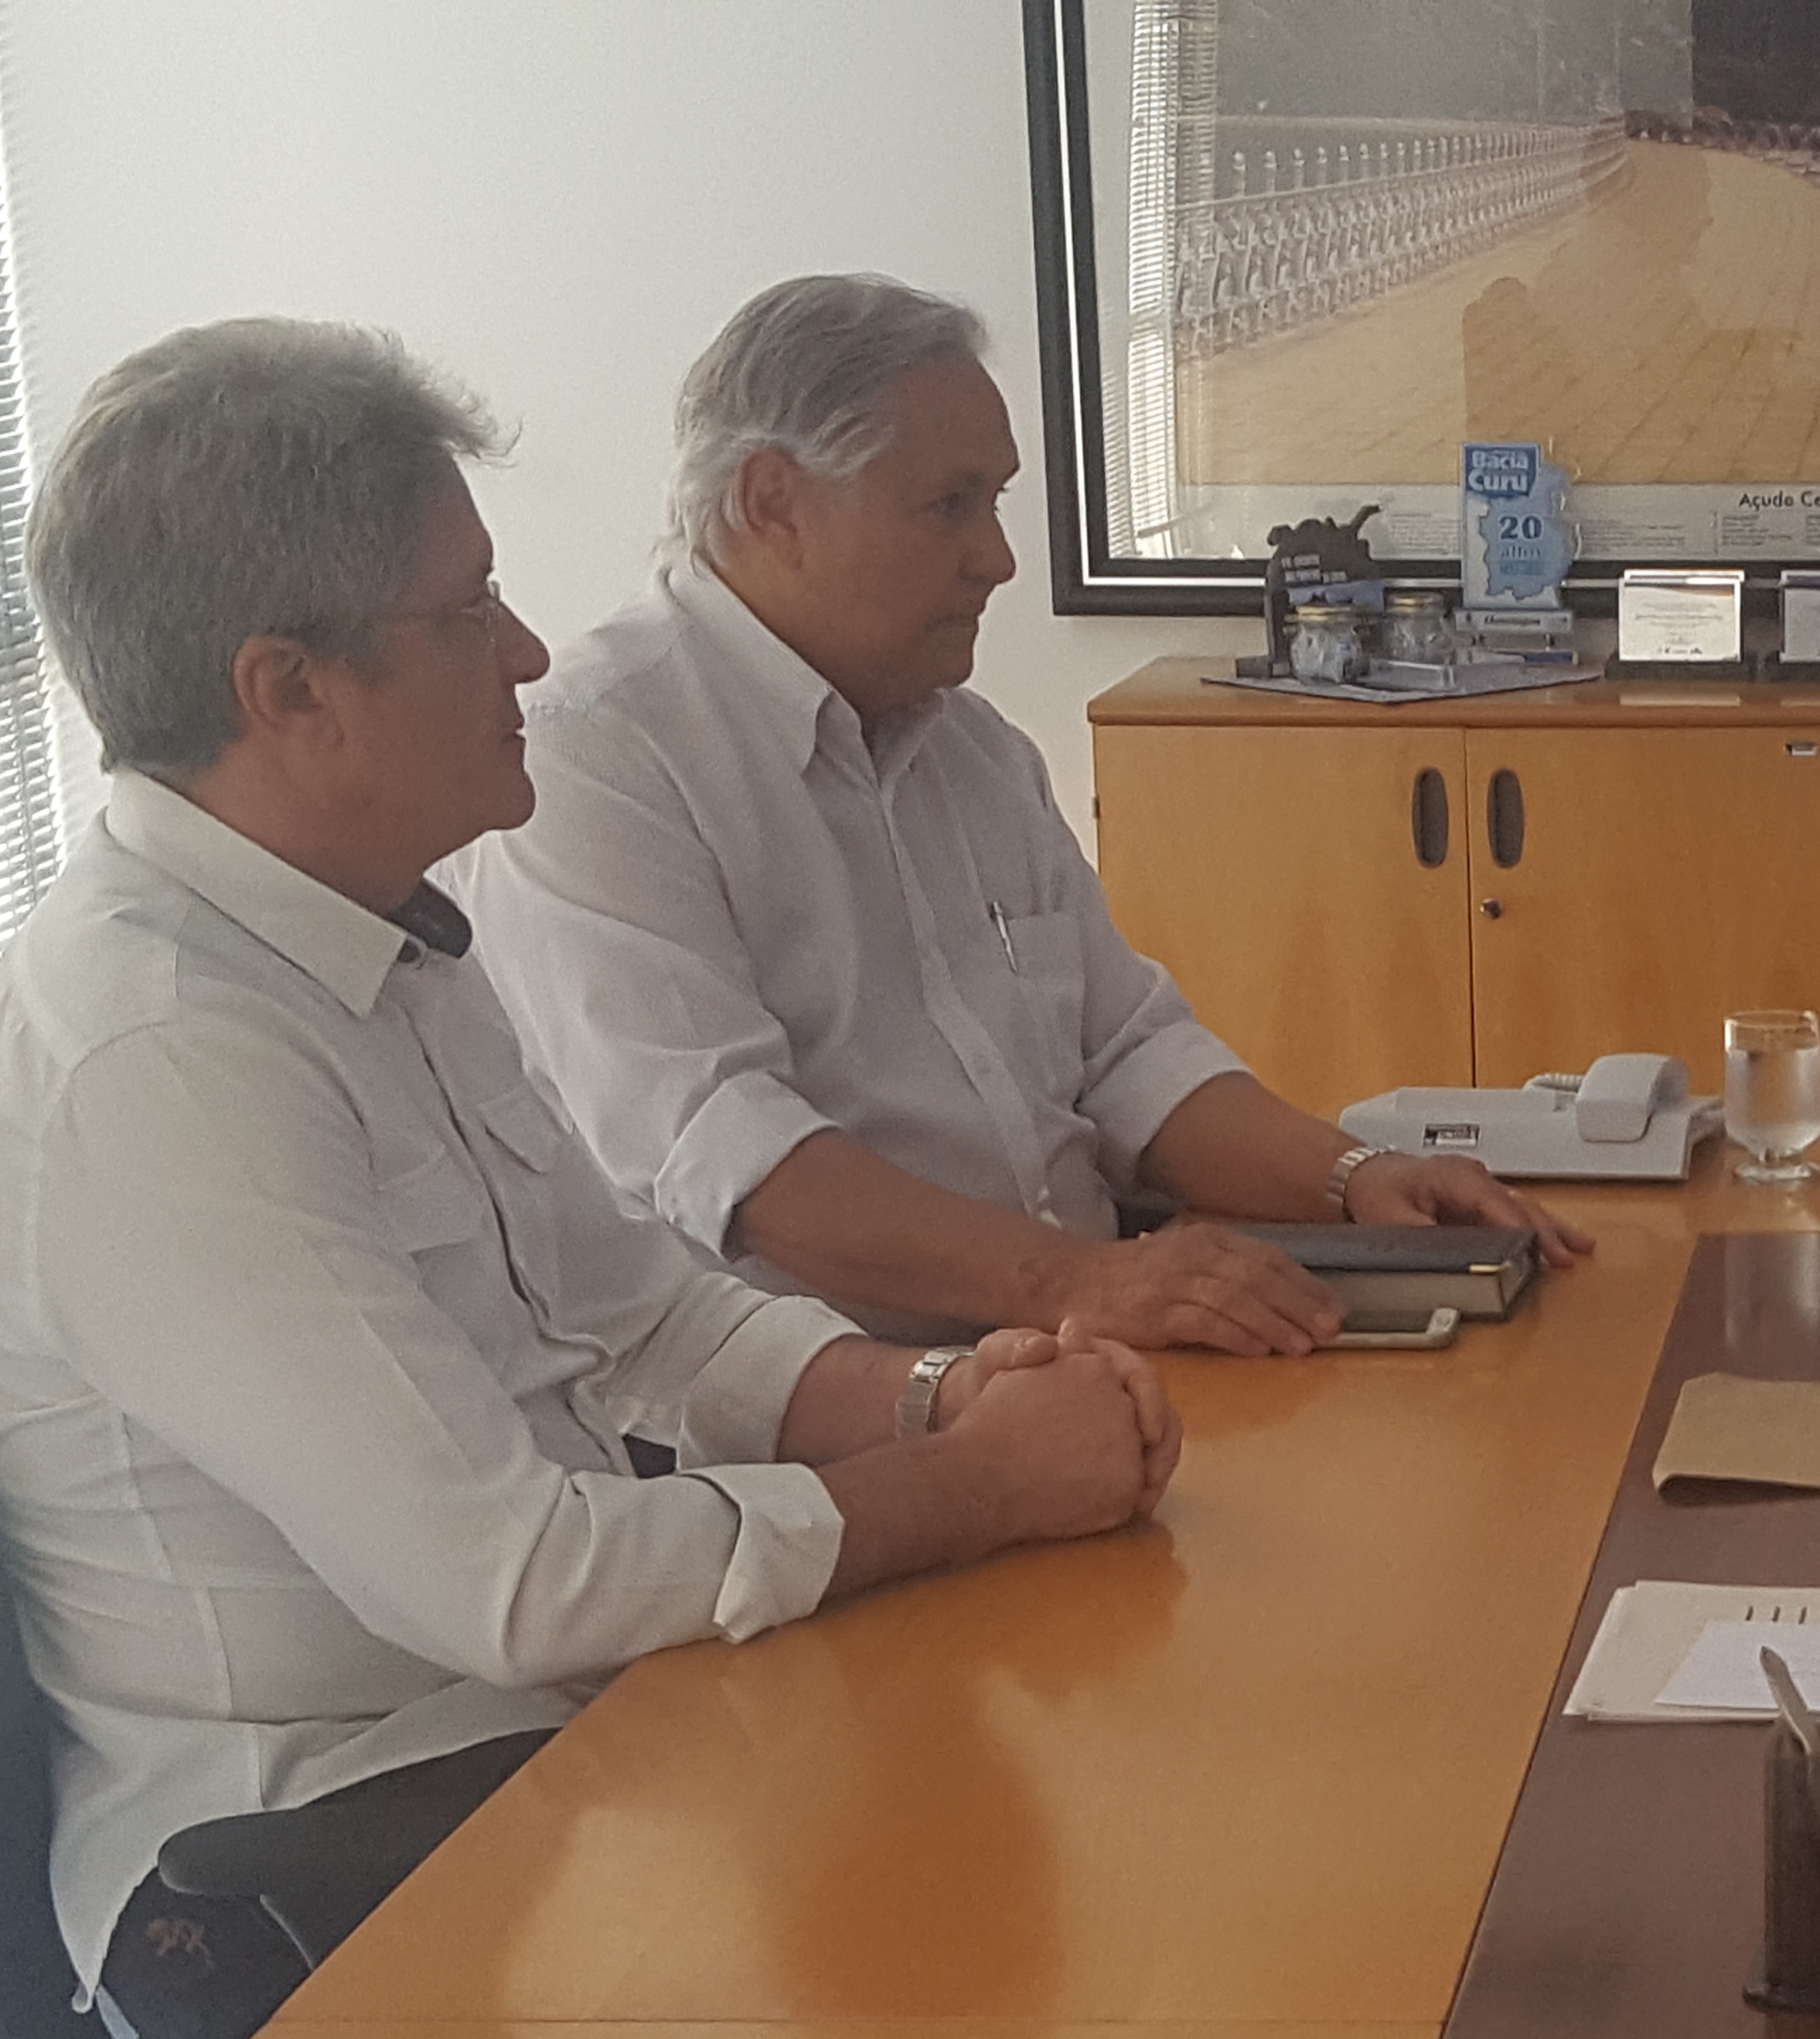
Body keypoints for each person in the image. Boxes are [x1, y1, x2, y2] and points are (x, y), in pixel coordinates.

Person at [0, 320, 1180, 2039]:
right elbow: (509, 1580)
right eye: (466, 614)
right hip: (322, 1851)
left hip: (542, 1736)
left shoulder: (372, 926)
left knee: (1093, 1843)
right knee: (994, 1991)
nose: (524, 649)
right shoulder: (161, 1054)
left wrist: (937, 1394)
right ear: (290, 690)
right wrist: (972, 1485)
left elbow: (649, 1319)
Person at [454, 275, 1580, 1354]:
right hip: (823, 1426)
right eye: (948, 507)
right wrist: (1082, 1285)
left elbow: (1127, 1054)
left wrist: (1353, 1179)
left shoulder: (972, 747)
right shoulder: (594, 757)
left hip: (1077, 1354)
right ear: (772, 503)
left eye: (993, 503)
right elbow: (736, 1162)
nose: (996, 561)